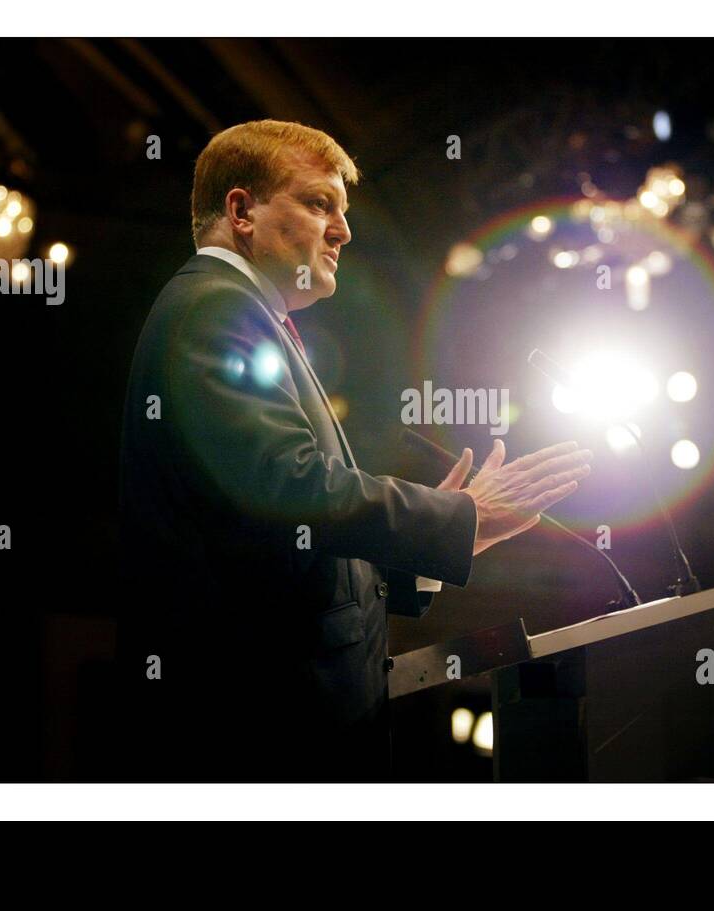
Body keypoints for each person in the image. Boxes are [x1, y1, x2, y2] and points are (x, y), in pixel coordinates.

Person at [117, 120, 591, 781]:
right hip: (261, 736)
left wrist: (442, 546)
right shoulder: (214, 307)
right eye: (318, 204)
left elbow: (284, 537)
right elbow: (290, 486)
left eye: (343, 211)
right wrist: (452, 516)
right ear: (241, 210)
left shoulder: (239, 311)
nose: (343, 231)